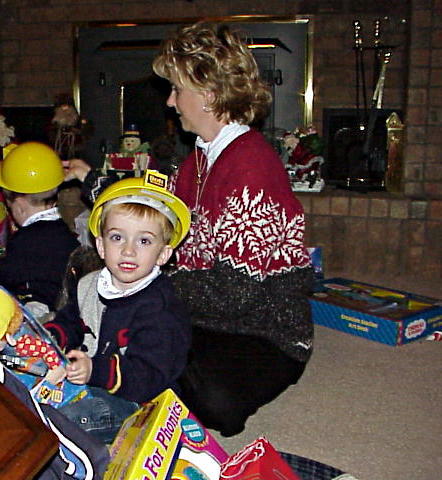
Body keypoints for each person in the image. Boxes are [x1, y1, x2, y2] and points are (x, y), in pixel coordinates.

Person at [63, 21, 315, 437]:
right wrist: (94, 182)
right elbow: (154, 213)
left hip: (263, 330)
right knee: (101, 283)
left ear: (209, 94)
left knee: (210, 398)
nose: (170, 101)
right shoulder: (200, 157)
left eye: (177, 89)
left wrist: (147, 283)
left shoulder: (250, 166)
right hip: (202, 313)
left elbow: (236, 294)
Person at [44, 169, 192, 444]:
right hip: (88, 377)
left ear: (163, 254)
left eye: (144, 241)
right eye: (117, 237)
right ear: (100, 246)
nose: (128, 250)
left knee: (67, 420)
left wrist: (94, 370)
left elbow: (149, 375)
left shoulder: (160, 310)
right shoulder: (89, 284)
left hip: (139, 401)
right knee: (29, 390)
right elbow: (72, 321)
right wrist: (51, 337)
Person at [0, 282, 110, 480]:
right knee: (98, 409)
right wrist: (92, 469)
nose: (14, 338)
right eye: (11, 332)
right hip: (35, 453)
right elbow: (42, 423)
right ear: (5, 337)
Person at [0, 142, 80, 316]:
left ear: (20, 207)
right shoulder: (63, 230)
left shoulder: (25, 240)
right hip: (67, 305)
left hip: (47, 312)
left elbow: (2, 275)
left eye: (9, 206)